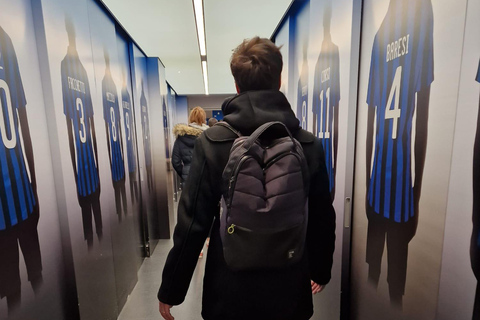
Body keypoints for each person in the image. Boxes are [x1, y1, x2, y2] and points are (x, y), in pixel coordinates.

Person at [158, 37, 336, 320]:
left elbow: (193, 223)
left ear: (237, 86)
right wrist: (320, 270)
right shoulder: (307, 145)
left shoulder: (214, 142)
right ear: (279, 80)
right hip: (289, 288)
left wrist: (171, 289)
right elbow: (321, 216)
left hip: (228, 290)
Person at [171, 107, 209, 183]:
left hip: (188, 175)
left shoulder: (181, 136)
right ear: (203, 118)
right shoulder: (209, 135)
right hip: (206, 175)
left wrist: (184, 173)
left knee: (188, 195)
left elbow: (175, 161)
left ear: (190, 118)